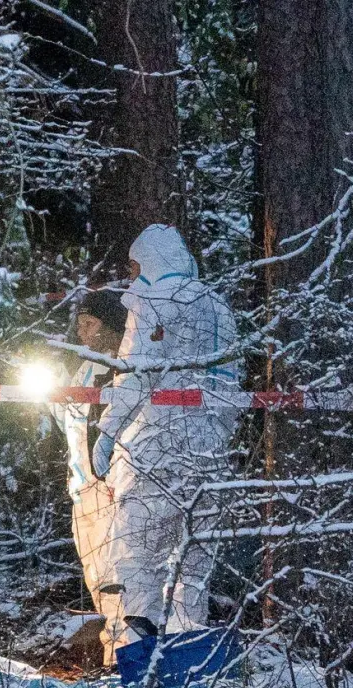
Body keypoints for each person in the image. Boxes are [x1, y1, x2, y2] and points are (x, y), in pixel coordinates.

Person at [92, 224, 240, 651]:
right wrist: (216, 434)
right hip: (212, 447)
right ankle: (187, 657)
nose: (134, 275)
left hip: (160, 442)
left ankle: (141, 657)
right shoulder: (217, 306)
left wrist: (108, 431)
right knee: (193, 562)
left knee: (137, 549)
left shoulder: (154, 302)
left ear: (151, 260)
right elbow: (230, 383)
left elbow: (137, 376)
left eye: (137, 265)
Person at [50, 293, 127, 664]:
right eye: (79, 323)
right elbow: (65, 418)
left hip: (111, 489)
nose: (82, 332)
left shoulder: (122, 370)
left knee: (119, 577)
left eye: (90, 324)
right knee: (97, 577)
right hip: (82, 487)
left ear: (111, 328)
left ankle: (123, 659)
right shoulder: (80, 367)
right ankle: (113, 655)